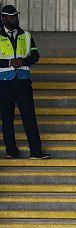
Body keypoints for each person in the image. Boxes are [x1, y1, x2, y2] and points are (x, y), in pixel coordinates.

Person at [0, 5, 47, 160]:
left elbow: (35, 56)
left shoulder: (26, 35)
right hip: (4, 83)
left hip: (23, 82)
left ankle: (36, 151)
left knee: (29, 117)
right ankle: (11, 151)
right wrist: (8, 63)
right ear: (4, 18)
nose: (15, 19)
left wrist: (23, 61)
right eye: (11, 17)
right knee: (7, 118)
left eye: (16, 16)